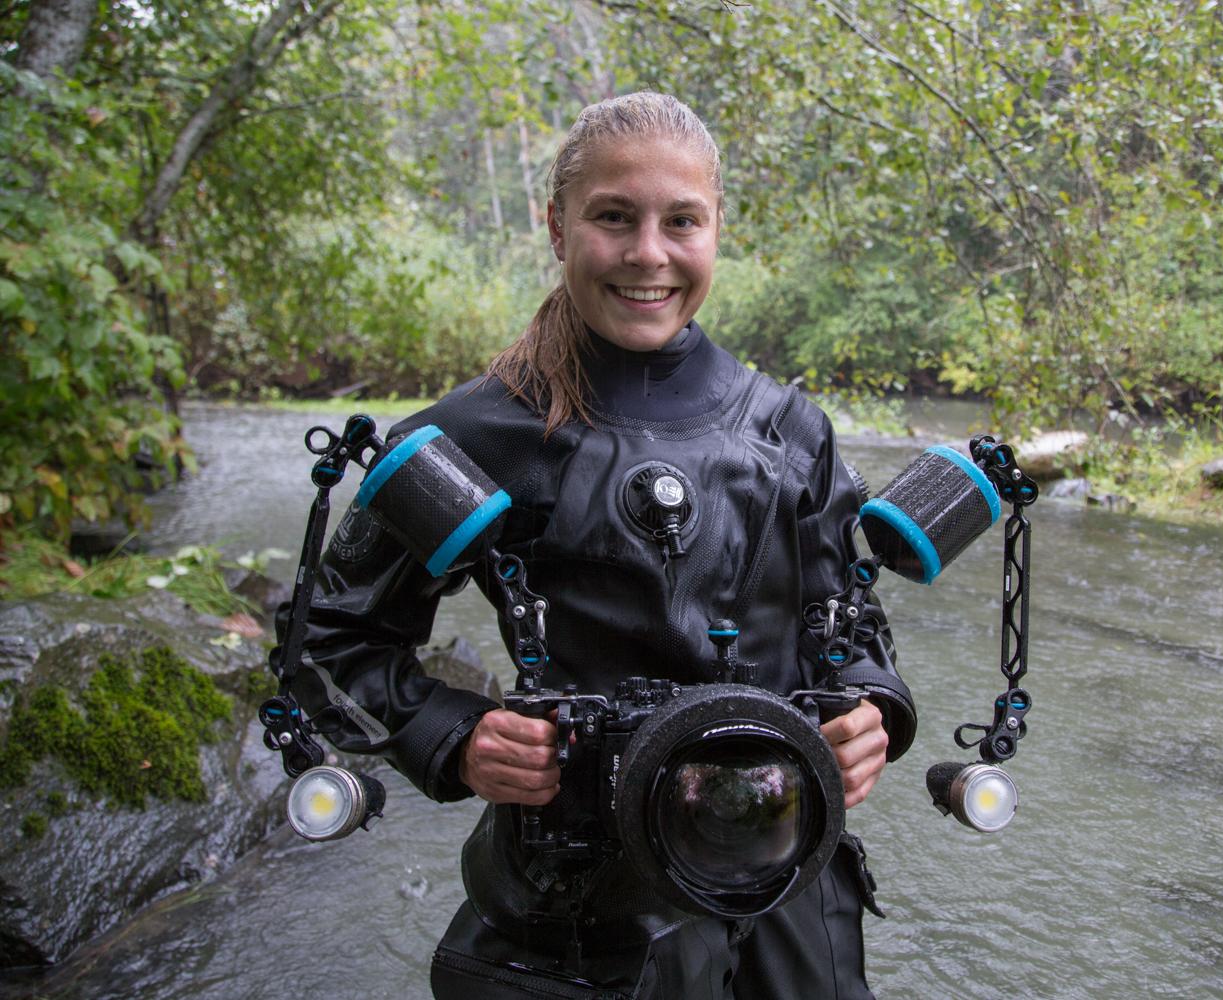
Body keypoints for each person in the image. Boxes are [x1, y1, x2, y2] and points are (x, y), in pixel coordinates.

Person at [278, 91, 917, 999]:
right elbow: (323, 636)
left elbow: (850, 629)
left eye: (680, 221)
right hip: (584, 908)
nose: (648, 253)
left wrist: (871, 714)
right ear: (558, 226)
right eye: (614, 218)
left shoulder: (789, 429)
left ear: (716, 229)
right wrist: (454, 737)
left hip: (788, 886)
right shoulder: (481, 434)